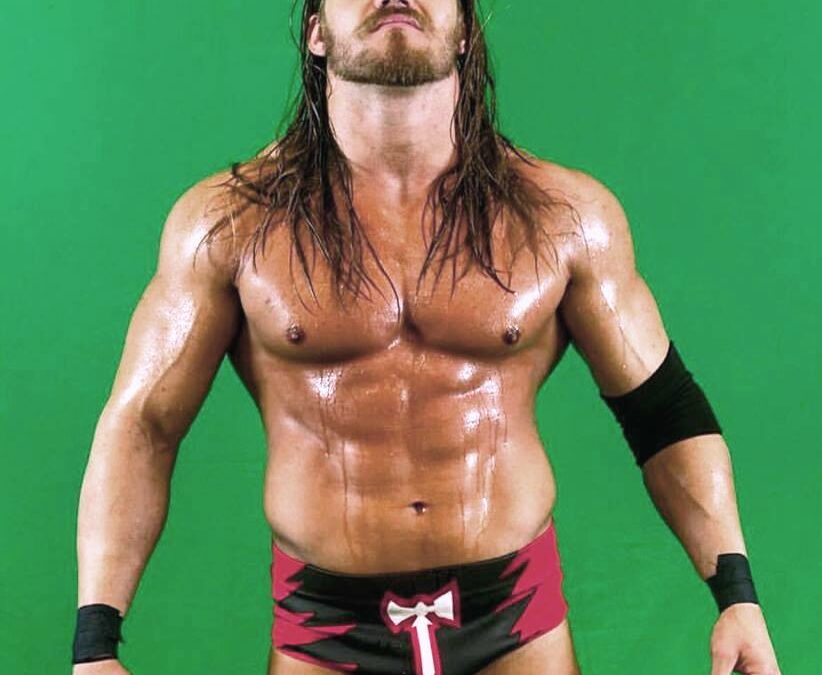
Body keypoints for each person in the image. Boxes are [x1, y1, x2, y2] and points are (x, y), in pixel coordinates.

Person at [72, 1, 782, 674]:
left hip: (517, 617)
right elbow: (144, 424)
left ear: (466, 29)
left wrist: (738, 598)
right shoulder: (229, 225)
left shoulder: (566, 218)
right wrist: (94, 642)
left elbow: (662, 411)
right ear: (315, 30)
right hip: (325, 625)